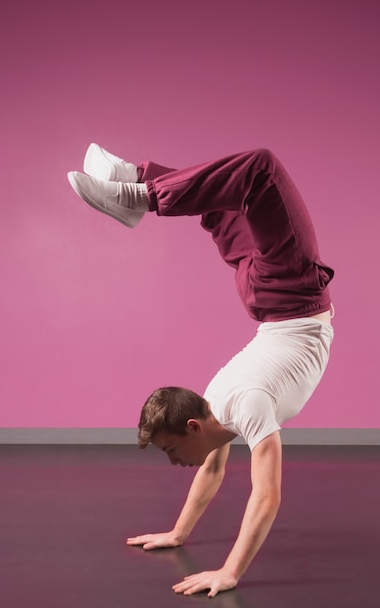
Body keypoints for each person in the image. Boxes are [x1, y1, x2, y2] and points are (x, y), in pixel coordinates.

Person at [67, 145, 335, 597]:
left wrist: (228, 573)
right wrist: (177, 533)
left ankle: (140, 188)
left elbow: (266, 496)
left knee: (255, 173)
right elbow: (213, 473)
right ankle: (139, 185)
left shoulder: (235, 402)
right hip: (272, 295)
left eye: (172, 450)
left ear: (194, 424)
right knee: (230, 197)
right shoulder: (223, 402)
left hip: (288, 291)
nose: (175, 463)